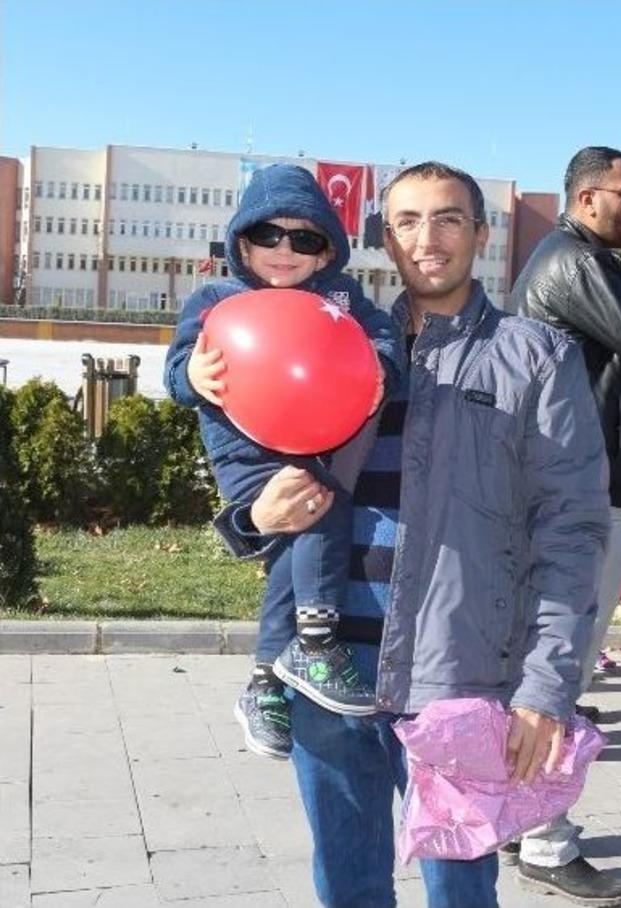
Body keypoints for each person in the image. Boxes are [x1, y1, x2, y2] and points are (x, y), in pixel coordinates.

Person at [214, 161, 611, 907]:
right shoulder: (340, 343)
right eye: (407, 221)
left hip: (457, 684)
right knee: (348, 888)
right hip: (326, 677)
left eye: (449, 218)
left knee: (461, 893)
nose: (428, 239)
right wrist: (251, 517)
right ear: (385, 238)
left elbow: (571, 532)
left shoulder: (538, 358)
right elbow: (266, 471)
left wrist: (544, 689)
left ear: (481, 233)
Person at [164, 163, 403, 758]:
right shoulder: (216, 298)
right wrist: (190, 373)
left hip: (318, 441)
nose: (285, 250)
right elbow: (173, 372)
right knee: (310, 522)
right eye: (268, 234)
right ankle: (315, 646)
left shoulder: (342, 301)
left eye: (306, 239)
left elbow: (384, 342)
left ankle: (267, 681)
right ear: (242, 241)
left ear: (328, 253)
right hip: (243, 449)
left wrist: (381, 370)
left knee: (304, 539)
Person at [509, 145, 621, 905]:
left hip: (585, 485)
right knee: (562, 671)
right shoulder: (574, 261)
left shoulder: (581, 260)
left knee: (554, 669)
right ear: (587, 201)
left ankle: (524, 820)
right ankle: (547, 839)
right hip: (576, 492)